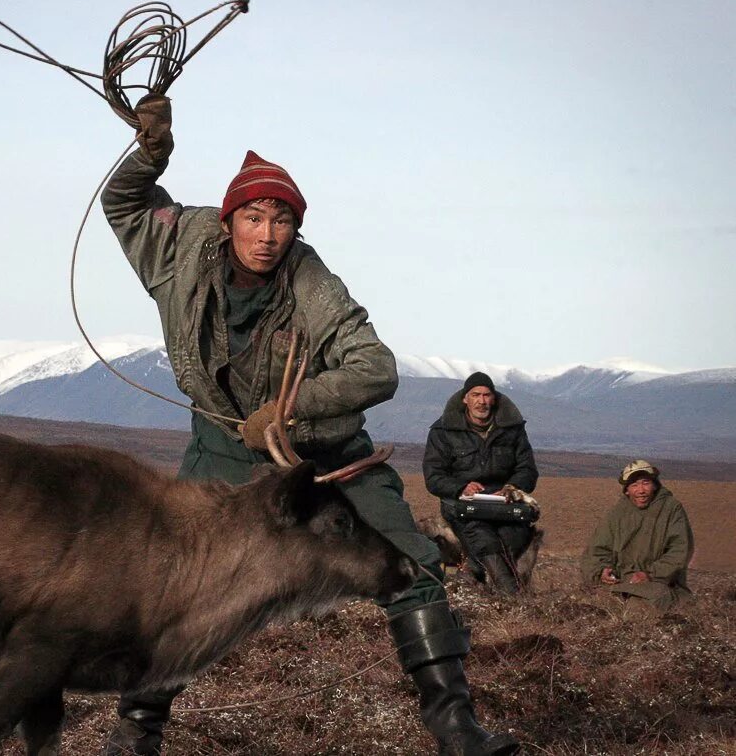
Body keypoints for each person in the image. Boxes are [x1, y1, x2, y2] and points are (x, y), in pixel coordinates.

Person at [99, 95, 518, 756]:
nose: (267, 235)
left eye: (282, 221)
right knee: (175, 577)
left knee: (410, 564)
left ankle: (455, 726)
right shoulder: (178, 247)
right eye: (254, 217)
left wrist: (292, 408)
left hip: (326, 455)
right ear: (230, 218)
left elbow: (374, 369)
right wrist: (149, 154)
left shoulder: (313, 284)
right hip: (223, 449)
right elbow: (123, 204)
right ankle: (136, 730)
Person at [422, 372, 539, 594]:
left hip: (506, 504)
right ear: (465, 398)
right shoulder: (443, 431)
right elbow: (434, 477)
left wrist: (511, 488)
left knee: (512, 536)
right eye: (475, 395)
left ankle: (475, 573)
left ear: (494, 398)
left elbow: (528, 470)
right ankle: (512, 599)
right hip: (463, 506)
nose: (481, 401)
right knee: (483, 539)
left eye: (487, 395)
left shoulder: (513, 428)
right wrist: (460, 487)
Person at [580, 460, 693, 616]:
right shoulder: (617, 513)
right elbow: (597, 550)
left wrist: (650, 574)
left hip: (659, 582)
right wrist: (602, 571)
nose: (641, 490)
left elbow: (680, 551)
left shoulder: (671, 508)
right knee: (596, 604)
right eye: (634, 485)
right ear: (626, 490)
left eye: (645, 483)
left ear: (654, 485)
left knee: (640, 607)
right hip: (621, 582)